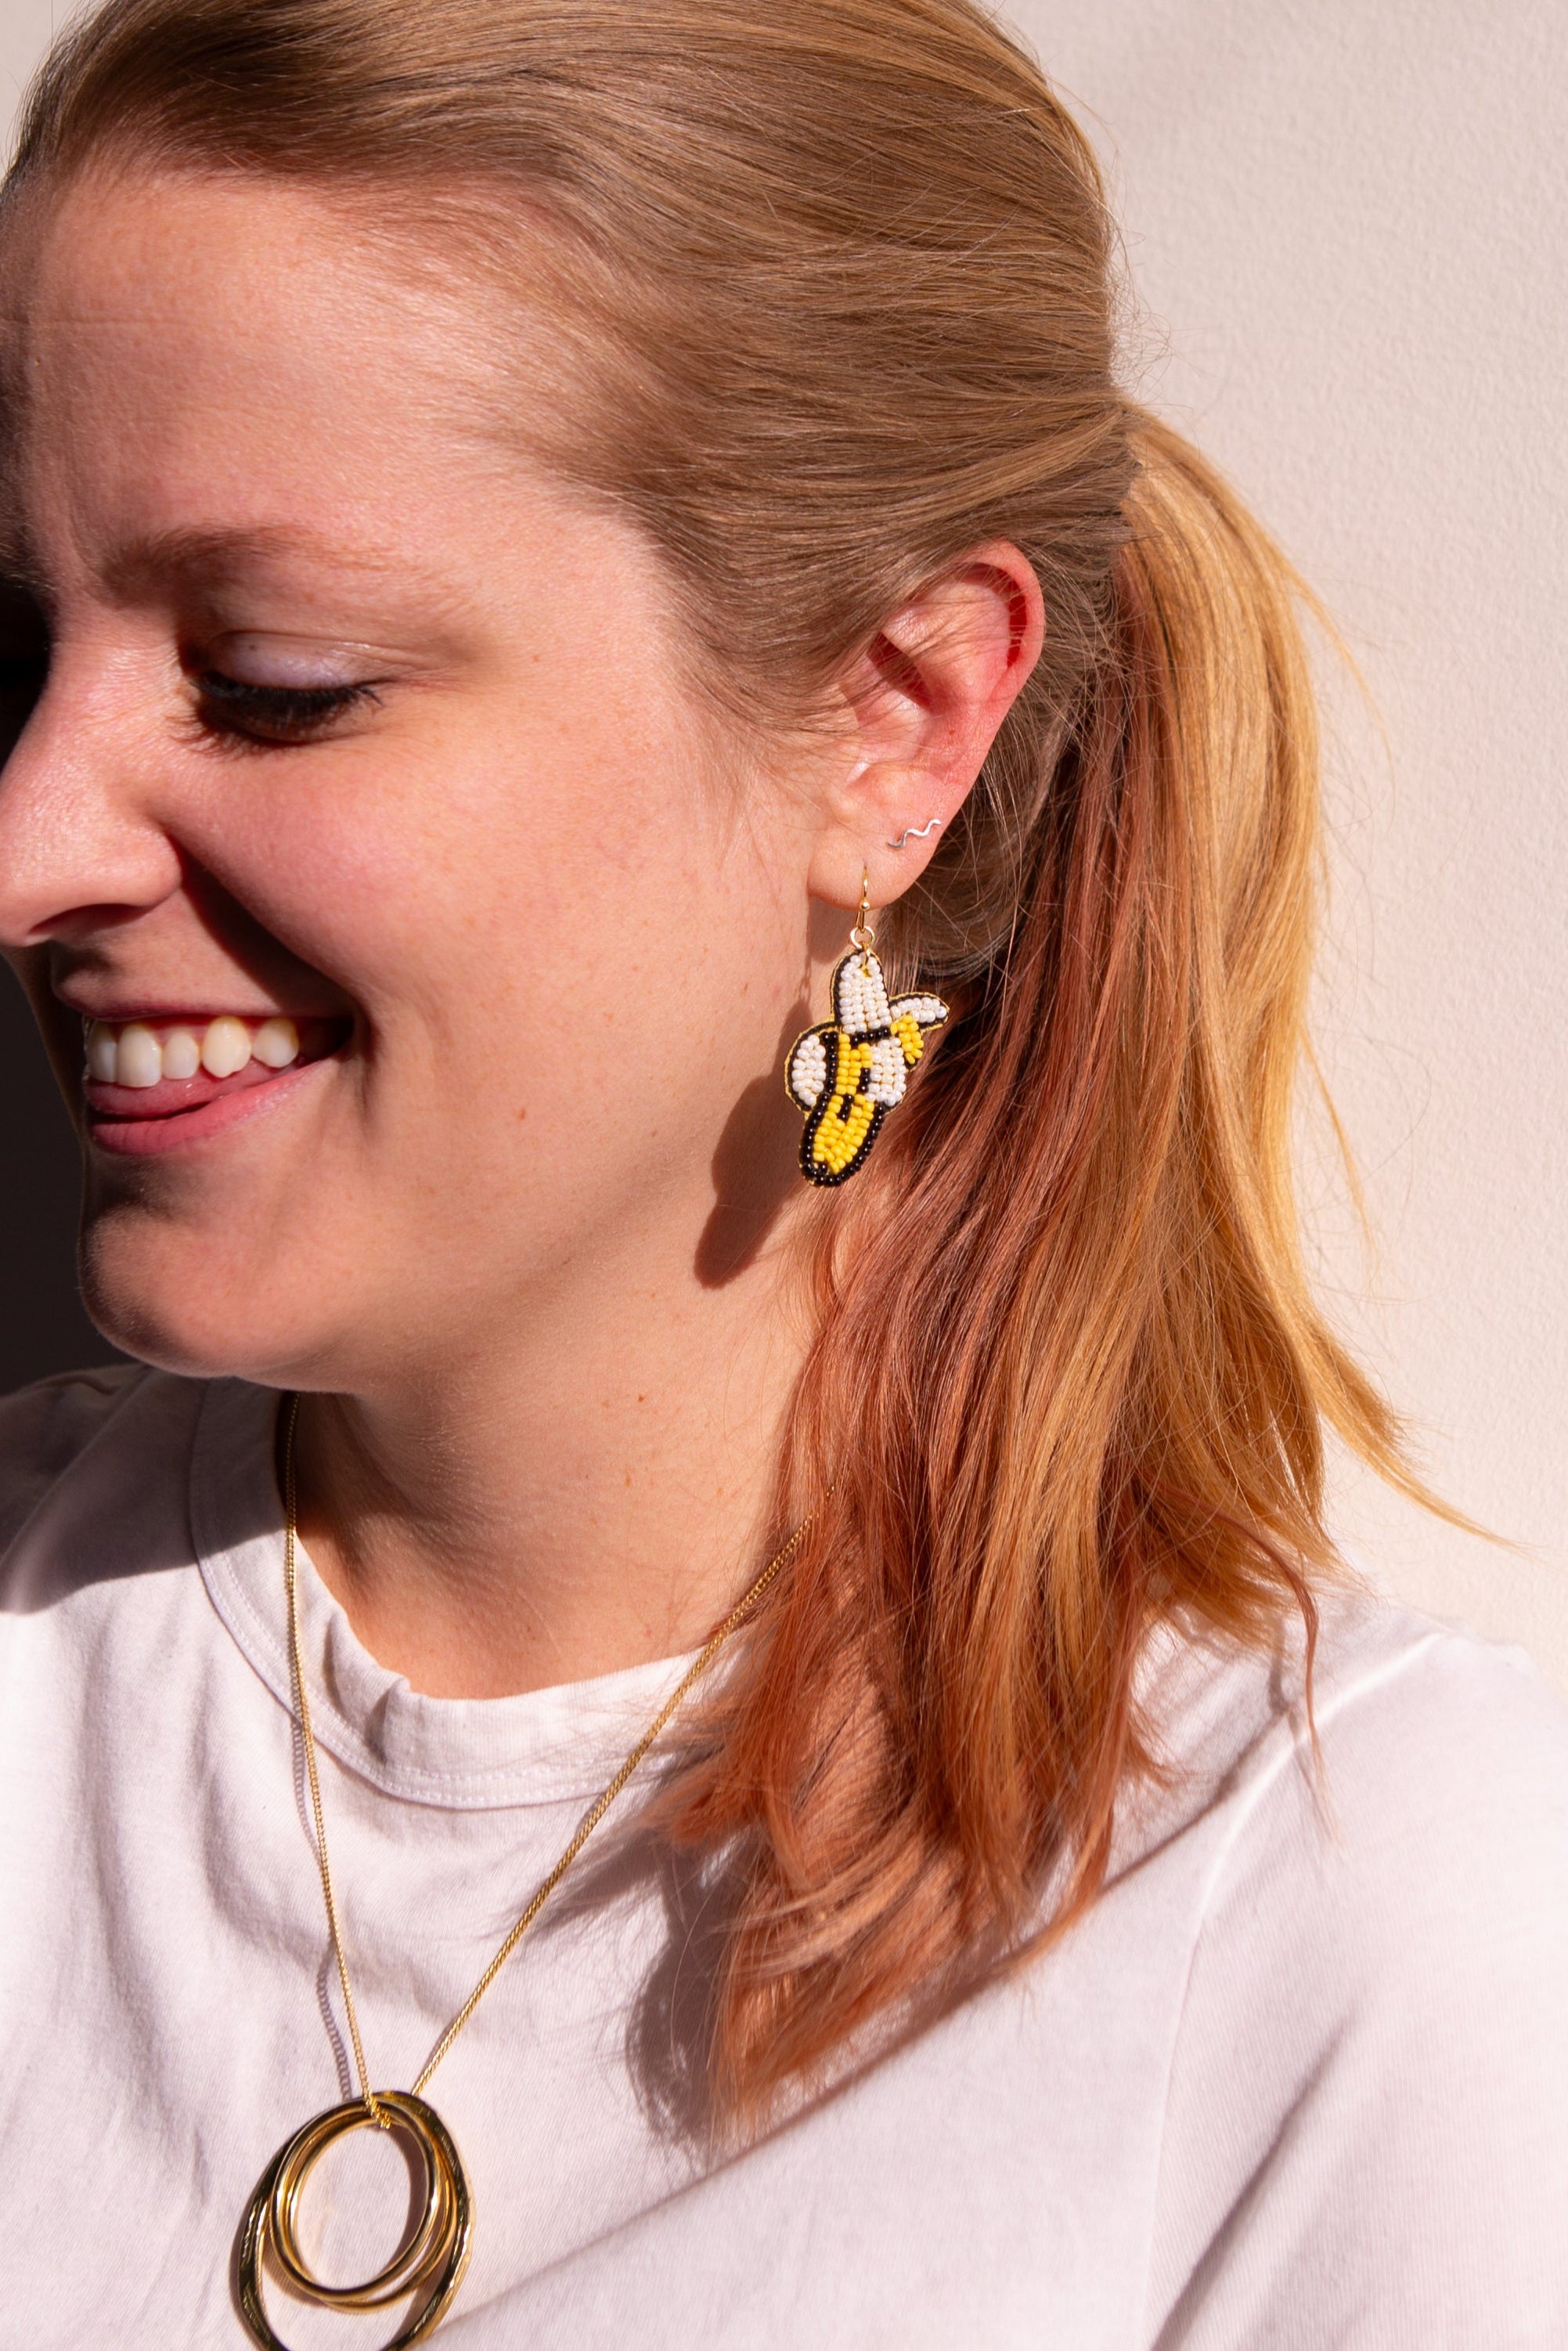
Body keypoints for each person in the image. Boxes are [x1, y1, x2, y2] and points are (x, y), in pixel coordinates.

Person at [0, 0, 1564, 2343]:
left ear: (893, 722)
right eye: (15, 643)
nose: (31, 840)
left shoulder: (1347, 1928)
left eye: (275, 673)